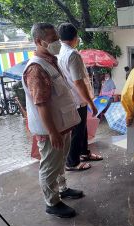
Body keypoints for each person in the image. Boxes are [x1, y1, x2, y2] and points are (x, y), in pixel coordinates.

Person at [22, 23, 84, 218]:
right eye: (52, 39)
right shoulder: (36, 69)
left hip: (62, 125)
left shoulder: (51, 61)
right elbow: (41, 104)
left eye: (57, 38)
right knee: (49, 165)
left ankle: (62, 189)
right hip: (51, 130)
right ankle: (52, 202)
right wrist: (52, 132)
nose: (57, 42)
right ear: (38, 42)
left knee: (59, 162)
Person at [57, 23, 103, 172]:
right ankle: (72, 162)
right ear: (75, 37)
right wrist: (91, 102)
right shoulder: (73, 55)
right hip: (78, 99)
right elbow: (78, 82)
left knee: (82, 128)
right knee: (77, 131)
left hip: (72, 98)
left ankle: (84, 153)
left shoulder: (61, 53)